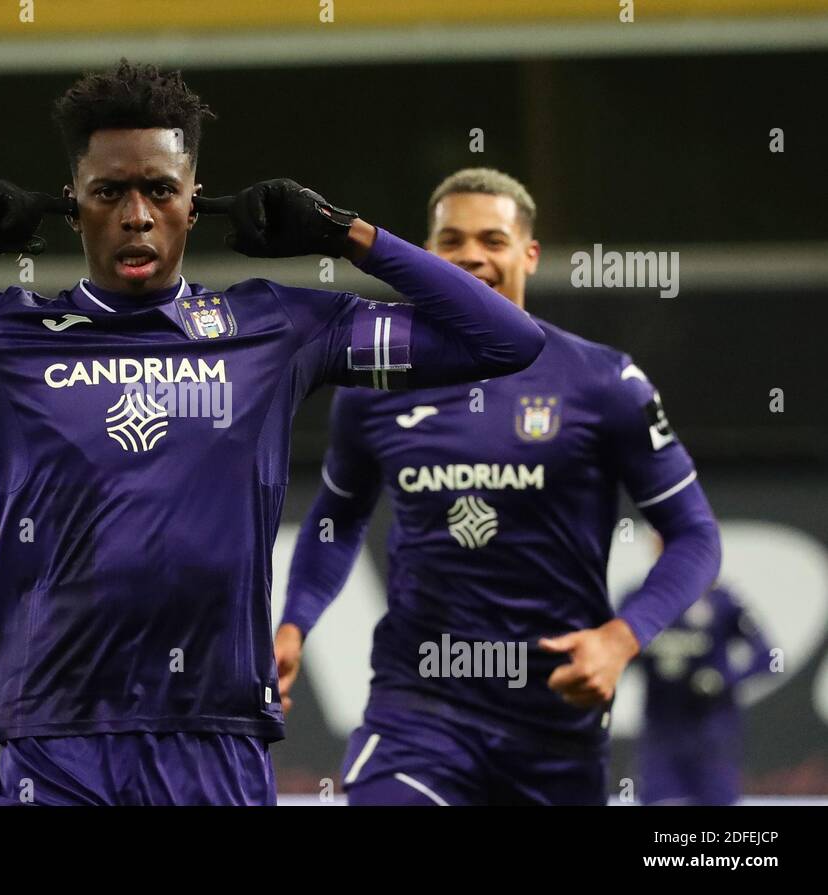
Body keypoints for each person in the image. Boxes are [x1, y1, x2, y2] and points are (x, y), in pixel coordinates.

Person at [0, 64, 544, 805]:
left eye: (159, 190)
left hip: (215, 740)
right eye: (109, 193)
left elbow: (504, 340)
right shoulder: (0, 335)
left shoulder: (278, 326)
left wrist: (345, 233)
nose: (137, 216)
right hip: (56, 743)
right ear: (73, 199)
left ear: (195, 197)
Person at [277, 167, 721, 805]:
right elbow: (337, 519)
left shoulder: (603, 383)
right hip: (419, 703)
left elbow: (695, 534)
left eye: (492, 239)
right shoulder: (372, 386)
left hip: (553, 715)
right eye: (452, 241)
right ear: (427, 254)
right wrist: (294, 625)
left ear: (529, 254)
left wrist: (621, 639)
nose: (471, 257)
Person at [638, 574, 771, 805]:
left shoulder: (723, 602)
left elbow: (769, 658)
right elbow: (615, 654)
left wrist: (724, 680)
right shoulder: (640, 601)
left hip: (712, 731)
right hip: (660, 732)